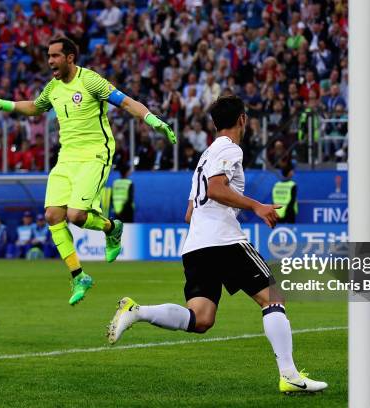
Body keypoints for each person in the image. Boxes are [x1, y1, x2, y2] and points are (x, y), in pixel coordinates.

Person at [107, 95, 327, 394]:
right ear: (242, 120)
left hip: (196, 245)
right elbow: (215, 189)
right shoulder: (229, 148)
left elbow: (189, 212)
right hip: (223, 240)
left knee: (201, 319)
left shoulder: (205, 156)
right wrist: (256, 206)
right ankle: (289, 375)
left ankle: (138, 311)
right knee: (273, 298)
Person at [0, 36, 177, 305]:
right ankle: (79, 276)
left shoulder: (90, 81)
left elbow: (125, 102)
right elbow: (35, 108)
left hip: (95, 154)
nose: (50, 60)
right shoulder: (53, 87)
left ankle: (112, 228)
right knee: (53, 215)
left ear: (70, 58)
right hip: (67, 158)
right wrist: (4, 104)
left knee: (76, 215)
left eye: (54, 56)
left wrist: (152, 119)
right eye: (48, 55)